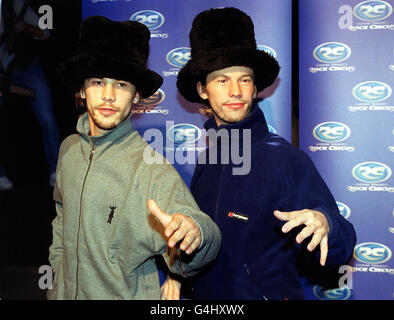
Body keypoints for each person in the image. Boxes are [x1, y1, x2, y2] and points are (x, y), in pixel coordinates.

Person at [163, 7, 356, 300]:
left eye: (244, 79)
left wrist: (326, 224)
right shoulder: (206, 161)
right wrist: (178, 274)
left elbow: (339, 247)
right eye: (222, 80)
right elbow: (202, 244)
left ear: (255, 89)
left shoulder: (284, 159)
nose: (236, 91)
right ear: (203, 90)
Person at [47, 16, 221, 300]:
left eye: (121, 85)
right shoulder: (68, 150)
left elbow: (198, 236)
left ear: (137, 96)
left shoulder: (151, 169)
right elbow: (61, 219)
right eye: (97, 82)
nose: (107, 96)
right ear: (81, 89)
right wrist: (56, 286)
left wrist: (196, 234)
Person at [0, 0, 60, 187]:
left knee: (47, 119)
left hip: (27, 68)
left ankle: (55, 173)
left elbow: (45, 32)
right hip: (2, 69)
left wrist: (26, 26)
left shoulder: (18, 4)